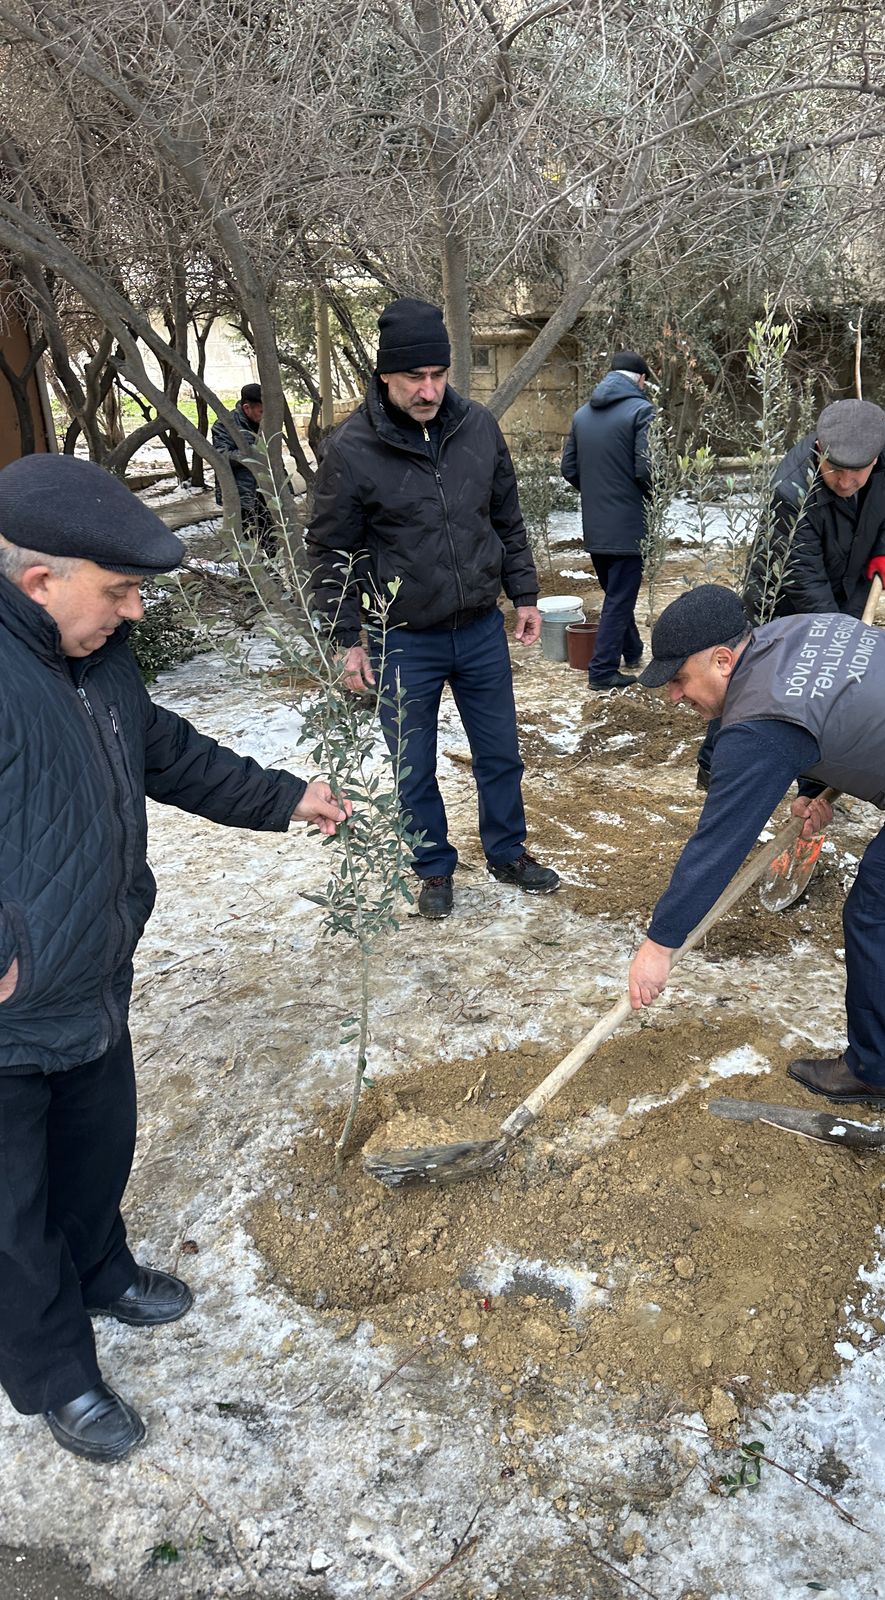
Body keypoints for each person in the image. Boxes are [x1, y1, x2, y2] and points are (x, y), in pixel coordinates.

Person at [0, 454, 349, 1464]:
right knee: (11, 1212)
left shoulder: (97, 657)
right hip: (11, 1005)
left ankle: (101, 1269)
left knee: (97, 1146)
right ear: (40, 581)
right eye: (120, 591)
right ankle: (54, 1371)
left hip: (92, 970)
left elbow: (163, 749)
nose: (137, 611)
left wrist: (284, 796)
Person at [628, 585, 885, 1109]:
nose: (673, 695)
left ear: (724, 660)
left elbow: (718, 845)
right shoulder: (790, 632)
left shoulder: (757, 726)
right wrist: (811, 788)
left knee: (879, 912)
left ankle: (876, 1071)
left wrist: (660, 944)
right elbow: (833, 701)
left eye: (679, 679)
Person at [306, 298, 560, 922]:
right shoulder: (351, 448)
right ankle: (433, 867)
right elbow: (330, 550)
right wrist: (347, 638)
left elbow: (506, 518)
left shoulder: (477, 427)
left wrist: (524, 594)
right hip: (402, 639)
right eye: (414, 377)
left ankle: (508, 852)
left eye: (438, 375)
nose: (428, 390)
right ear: (384, 375)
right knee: (412, 765)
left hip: (478, 629)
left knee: (500, 752)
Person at [697, 397, 885, 788]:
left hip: (852, 581)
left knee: (825, 690)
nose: (845, 483)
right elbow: (804, 576)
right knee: (753, 680)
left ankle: (813, 785)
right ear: (819, 450)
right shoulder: (791, 488)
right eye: (835, 470)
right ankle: (715, 766)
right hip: (784, 593)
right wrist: (838, 639)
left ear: (876, 457)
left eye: (857, 472)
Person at [560, 350, 653, 690]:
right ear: (641, 379)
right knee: (620, 597)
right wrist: (649, 498)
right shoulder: (642, 411)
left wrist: (598, 493)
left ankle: (632, 648)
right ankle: (601, 671)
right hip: (628, 525)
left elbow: (568, 468)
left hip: (595, 525)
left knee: (616, 592)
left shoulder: (582, 415)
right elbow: (647, 469)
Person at [211, 381, 276, 552]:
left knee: (271, 540)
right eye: (261, 412)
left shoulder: (267, 424)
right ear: (247, 408)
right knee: (246, 544)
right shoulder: (225, 425)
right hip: (241, 495)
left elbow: (275, 459)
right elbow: (220, 456)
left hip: (266, 492)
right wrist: (249, 455)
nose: (265, 416)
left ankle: (274, 569)